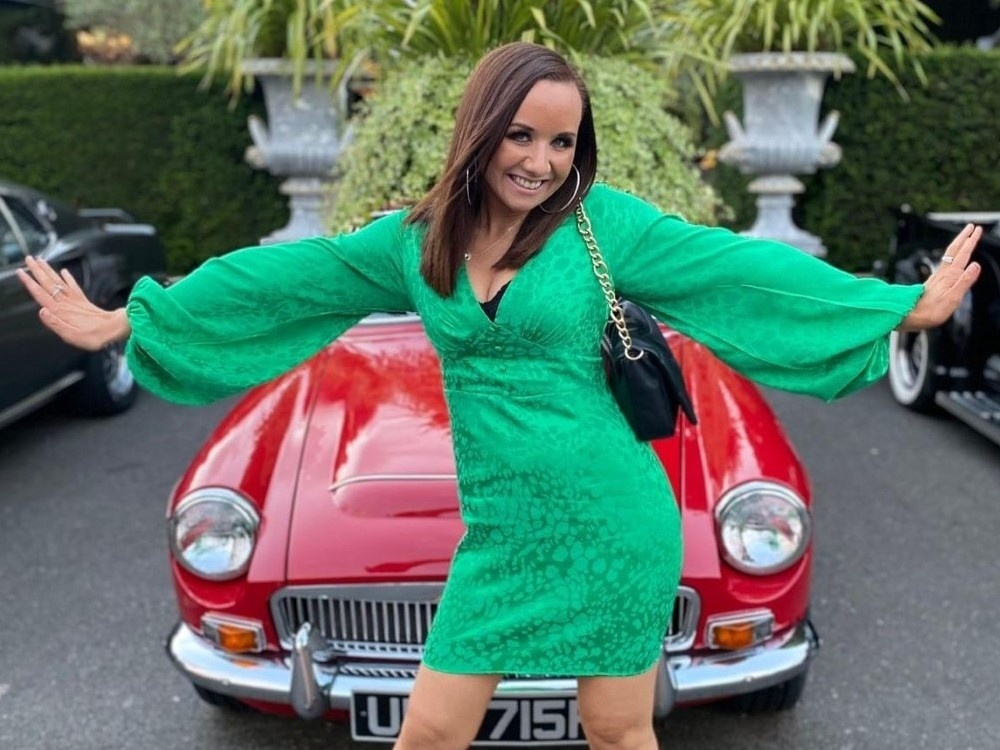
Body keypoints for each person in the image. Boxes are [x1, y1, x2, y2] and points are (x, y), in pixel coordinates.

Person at [18, 42, 980, 750]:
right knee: (430, 735)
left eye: (563, 141)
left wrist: (901, 306)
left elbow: (742, 274)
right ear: (481, 130)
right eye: (521, 133)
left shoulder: (606, 226)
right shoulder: (415, 240)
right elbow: (282, 282)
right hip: (501, 537)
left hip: (613, 520)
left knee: (616, 731)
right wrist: (129, 321)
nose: (542, 160)